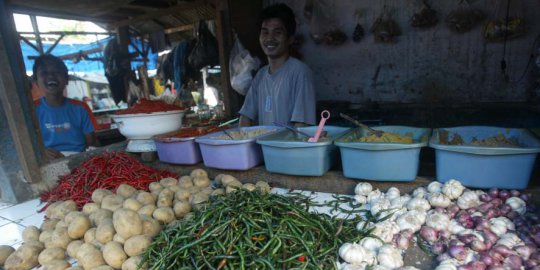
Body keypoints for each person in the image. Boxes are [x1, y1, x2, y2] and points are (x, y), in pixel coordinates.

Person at [238, 3, 316, 127]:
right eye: (265, 32)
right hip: (264, 146)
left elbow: (302, 126)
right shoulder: (261, 75)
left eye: (277, 32)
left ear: (290, 38)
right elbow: (246, 116)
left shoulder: (300, 72)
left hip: (289, 146)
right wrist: (241, 144)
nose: (270, 38)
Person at [33, 54, 98, 159]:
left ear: (66, 79)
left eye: (56, 72)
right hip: (47, 161)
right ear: (36, 81)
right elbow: (29, 146)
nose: (51, 76)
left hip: (79, 160)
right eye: (44, 73)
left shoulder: (81, 108)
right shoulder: (32, 111)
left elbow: (92, 144)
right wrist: (42, 153)